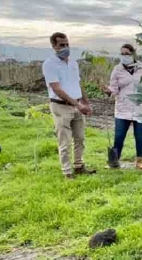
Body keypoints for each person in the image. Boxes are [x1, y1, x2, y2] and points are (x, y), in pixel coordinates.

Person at [42, 32, 96, 179]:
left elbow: (77, 83)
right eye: (62, 45)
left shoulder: (73, 62)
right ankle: (67, 171)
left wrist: (85, 102)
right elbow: (57, 89)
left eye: (67, 44)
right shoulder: (49, 64)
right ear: (54, 46)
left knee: (80, 138)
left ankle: (79, 166)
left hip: (77, 104)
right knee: (64, 140)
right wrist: (78, 105)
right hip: (61, 106)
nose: (66, 48)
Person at [102, 44, 142, 170]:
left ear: (133, 54)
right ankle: (114, 161)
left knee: (139, 136)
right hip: (122, 108)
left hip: (139, 107)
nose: (124, 56)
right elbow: (114, 89)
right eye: (122, 54)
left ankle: (139, 161)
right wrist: (109, 91)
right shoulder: (117, 70)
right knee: (119, 136)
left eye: (127, 54)